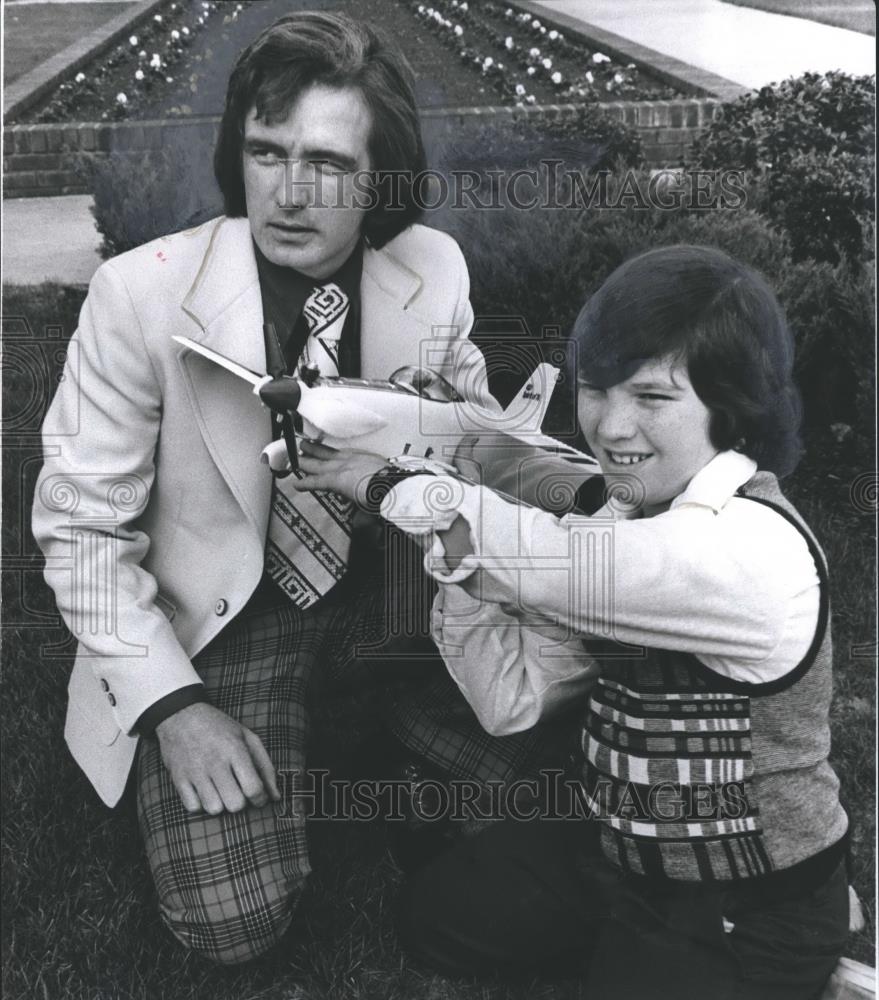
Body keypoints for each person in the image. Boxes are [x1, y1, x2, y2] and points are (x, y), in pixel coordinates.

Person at [32, 11, 501, 966]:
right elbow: (79, 530)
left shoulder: (432, 268)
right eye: (265, 152)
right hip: (224, 618)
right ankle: (316, 732)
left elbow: (475, 441)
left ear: (383, 180)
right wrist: (175, 711)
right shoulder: (139, 295)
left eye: (329, 163)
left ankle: (382, 727)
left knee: (554, 773)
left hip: (392, 591)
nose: (289, 193)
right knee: (230, 923)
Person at [300, 245, 852, 997]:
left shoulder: (744, 548)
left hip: (745, 896)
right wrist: (451, 456)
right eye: (595, 388)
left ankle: (803, 949)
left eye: (652, 398)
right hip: (613, 842)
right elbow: (510, 701)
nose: (612, 425)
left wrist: (388, 481)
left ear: (735, 409)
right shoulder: (631, 505)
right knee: (432, 922)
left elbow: (560, 557)